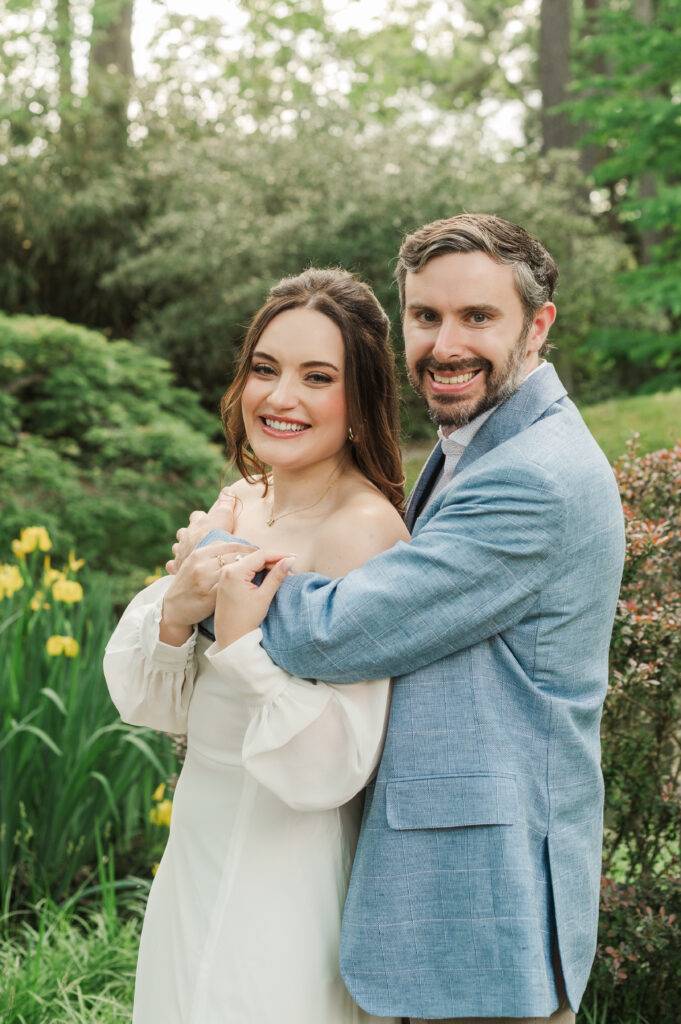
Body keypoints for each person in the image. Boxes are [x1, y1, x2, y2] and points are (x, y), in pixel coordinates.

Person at [170, 214, 626, 1024]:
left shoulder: (534, 478)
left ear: (538, 324)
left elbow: (342, 629)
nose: (445, 343)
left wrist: (220, 562)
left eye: (477, 317)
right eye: (425, 317)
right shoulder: (475, 446)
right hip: (429, 897)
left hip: (481, 904)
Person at [103, 267, 410, 1024]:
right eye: (265, 369)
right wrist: (178, 608)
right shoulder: (244, 498)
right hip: (198, 840)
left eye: (317, 377)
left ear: (362, 399)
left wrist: (240, 640)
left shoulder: (365, 532)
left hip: (284, 860)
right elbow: (144, 698)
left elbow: (336, 762)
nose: (279, 398)